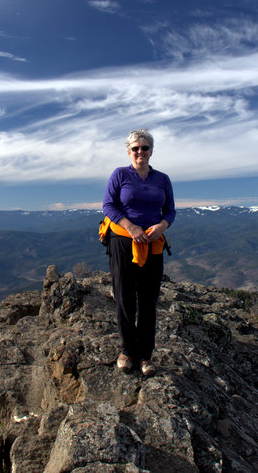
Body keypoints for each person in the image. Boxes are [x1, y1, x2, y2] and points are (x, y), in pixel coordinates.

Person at [101, 129, 175, 377]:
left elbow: (170, 211)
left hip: (152, 243)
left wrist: (162, 226)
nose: (140, 152)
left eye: (145, 148)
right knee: (124, 297)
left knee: (148, 299)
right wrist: (131, 227)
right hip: (123, 241)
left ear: (151, 151)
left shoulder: (162, 179)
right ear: (128, 151)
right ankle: (126, 351)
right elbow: (108, 205)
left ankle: (145, 355)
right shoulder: (120, 175)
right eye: (135, 148)